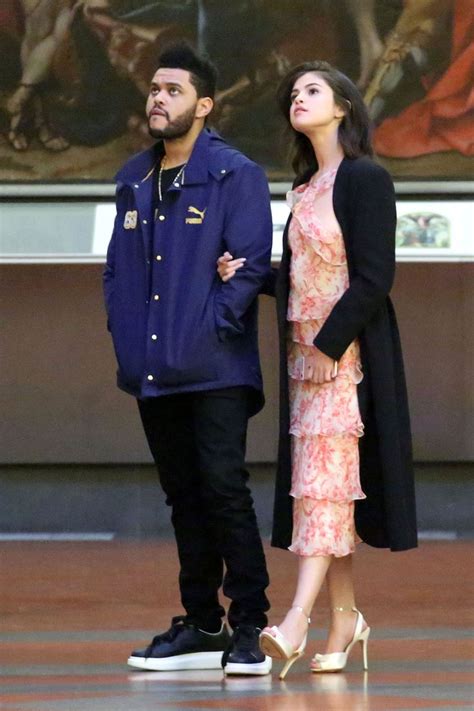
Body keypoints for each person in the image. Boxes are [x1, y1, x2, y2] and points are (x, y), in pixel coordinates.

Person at [218, 59, 417, 679]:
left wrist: (330, 346)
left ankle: (296, 621)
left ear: (343, 107)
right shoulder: (305, 189)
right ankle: (347, 618)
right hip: (305, 365)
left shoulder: (366, 178)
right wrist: (250, 275)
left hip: (346, 361)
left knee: (324, 491)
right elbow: (305, 277)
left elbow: (374, 278)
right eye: (294, 94)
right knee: (323, 493)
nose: (297, 99)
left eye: (312, 90)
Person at [103, 41, 273, 676]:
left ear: (204, 105)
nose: (158, 98)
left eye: (173, 90)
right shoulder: (133, 178)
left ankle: (249, 625)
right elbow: (116, 274)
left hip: (216, 367)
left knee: (223, 489)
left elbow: (248, 267)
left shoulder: (235, 174)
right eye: (154, 88)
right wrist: (126, 336)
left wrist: (211, 328)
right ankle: (201, 622)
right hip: (152, 369)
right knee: (183, 495)